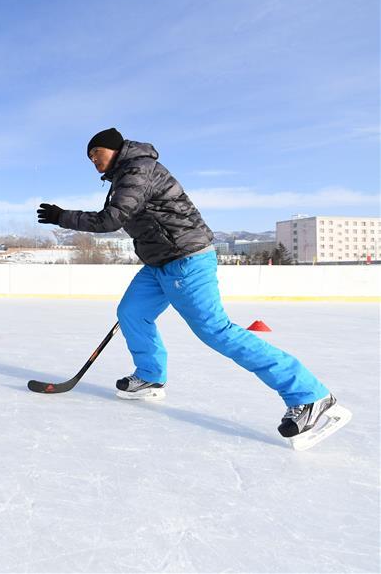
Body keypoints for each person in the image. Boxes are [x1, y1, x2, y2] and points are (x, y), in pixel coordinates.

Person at [36, 127, 348, 446]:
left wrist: (63, 217)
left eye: (95, 154)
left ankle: (310, 396)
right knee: (131, 312)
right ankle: (150, 377)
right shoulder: (123, 175)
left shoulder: (137, 169)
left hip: (186, 259)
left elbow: (111, 220)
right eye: (89, 158)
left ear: (113, 149)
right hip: (159, 263)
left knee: (216, 330)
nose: (93, 161)